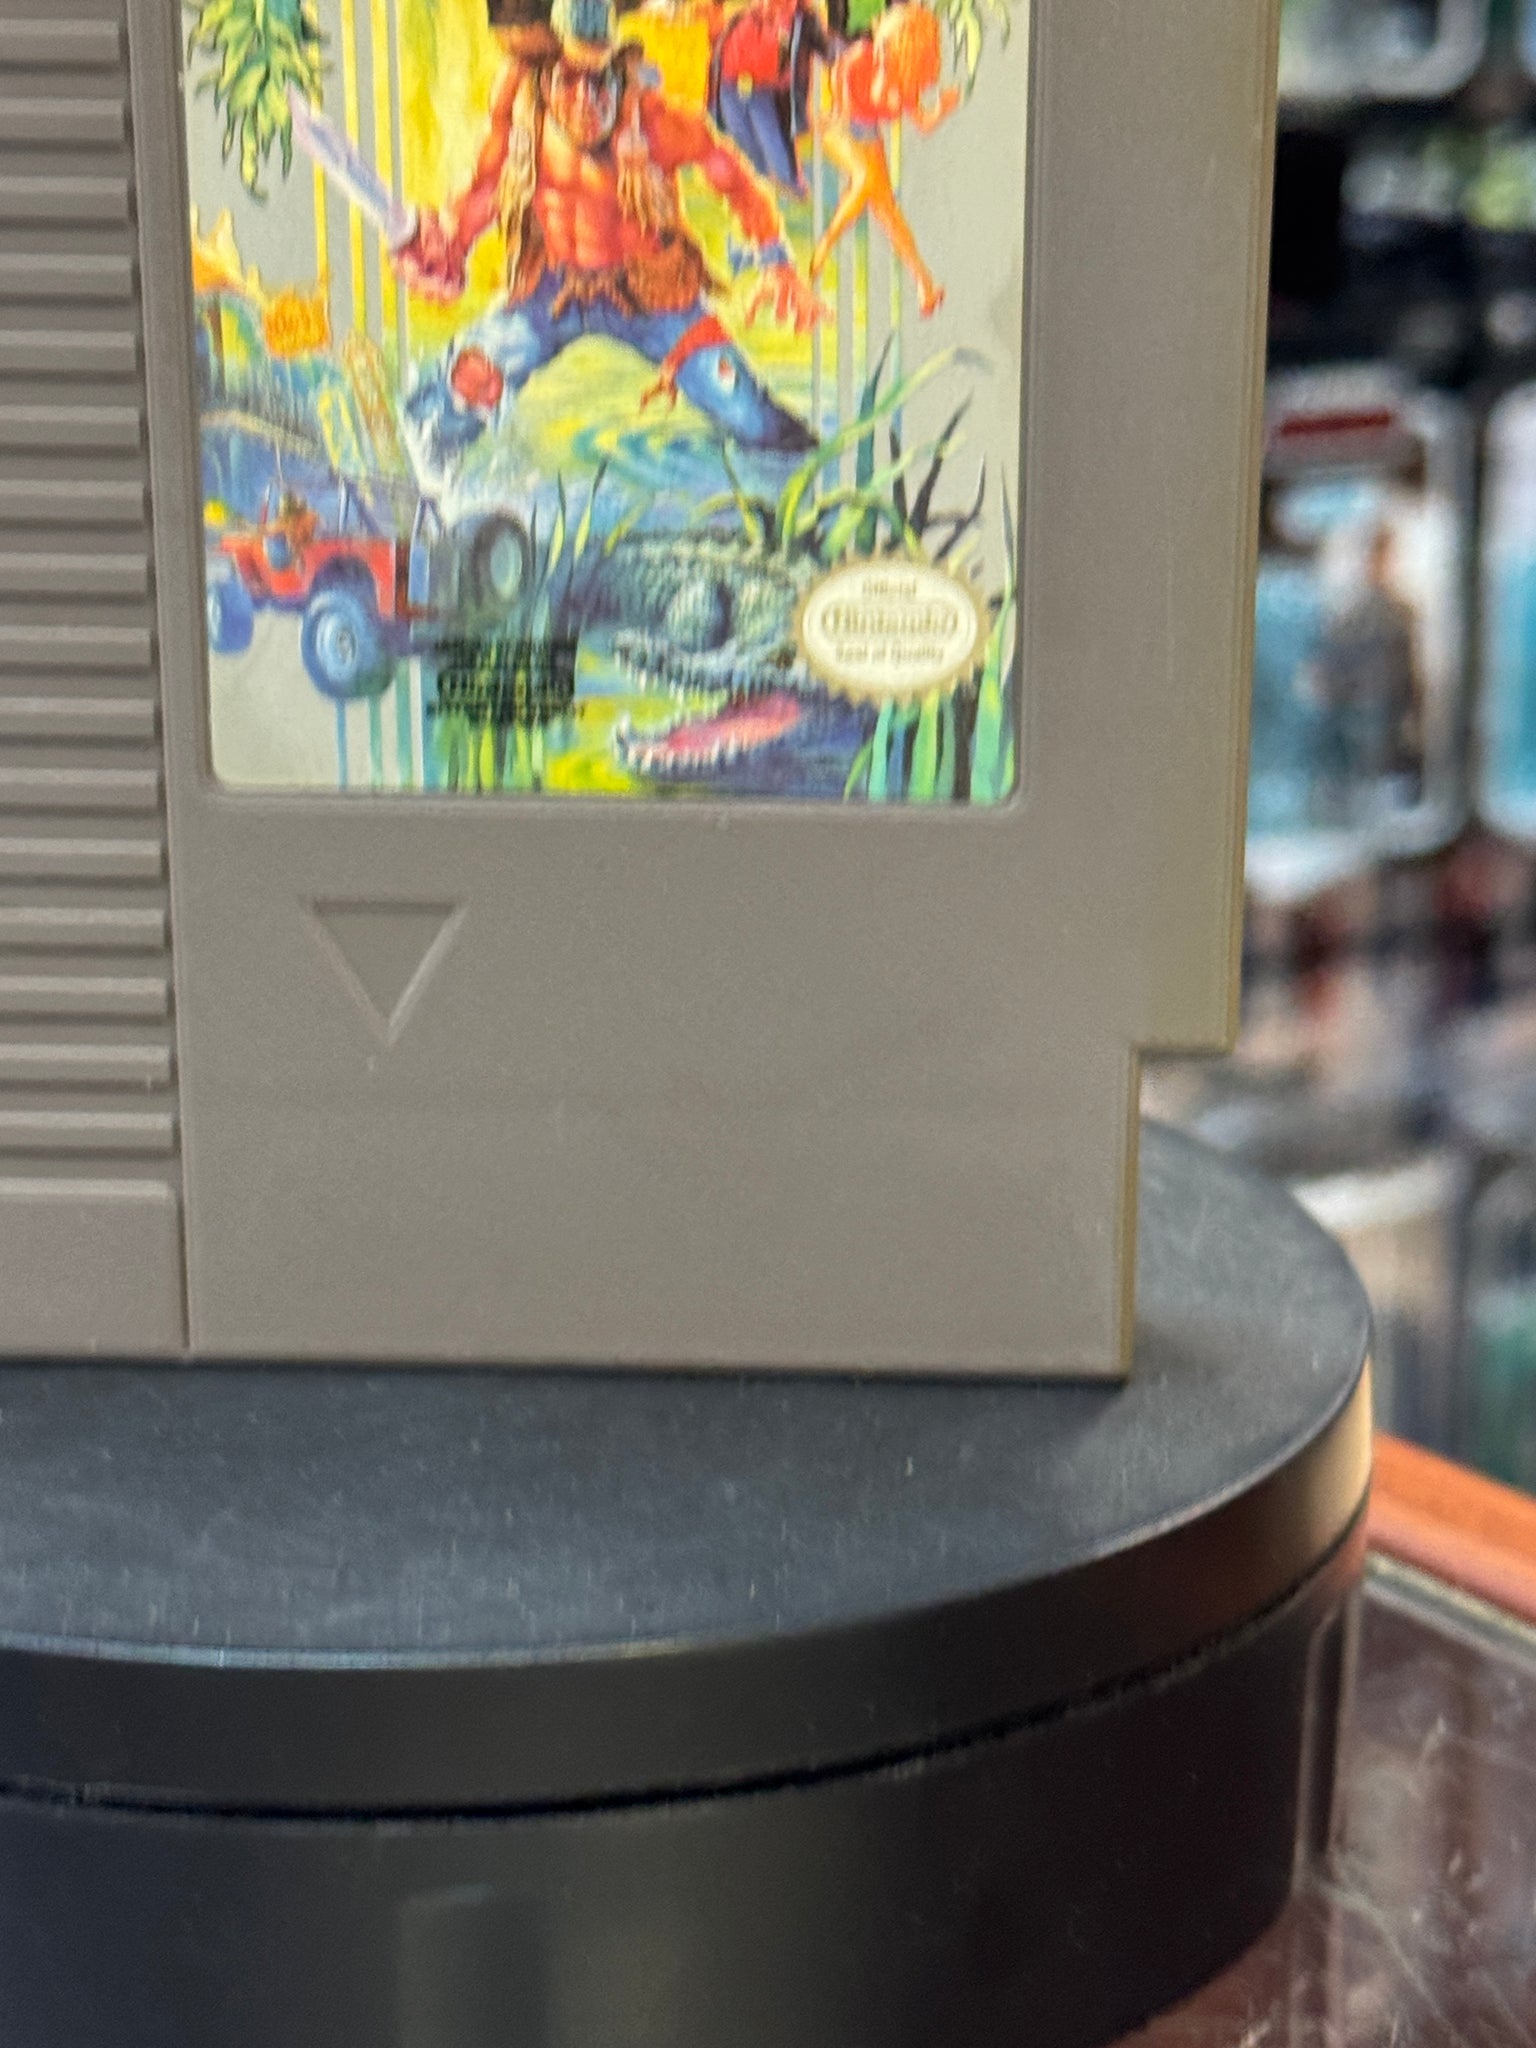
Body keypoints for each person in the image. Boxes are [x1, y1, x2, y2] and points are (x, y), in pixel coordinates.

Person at [394, 0, 822, 492]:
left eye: (598, 82)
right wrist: (449, 243)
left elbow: (733, 178)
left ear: (617, 73)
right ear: (546, 77)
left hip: (650, 296)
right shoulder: (522, 111)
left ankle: (808, 493)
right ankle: (407, 492)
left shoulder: (653, 121)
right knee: (455, 395)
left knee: (747, 411)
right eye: (569, 81)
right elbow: (484, 189)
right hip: (550, 291)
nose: (585, 100)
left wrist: (775, 261)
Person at [811, 1, 959, 318]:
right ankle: (825, 243)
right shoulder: (860, 57)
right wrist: (845, 109)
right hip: (840, 131)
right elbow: (842, 100)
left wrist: (941, 109)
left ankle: (924, 284)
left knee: (887, 211)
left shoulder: (905, 78)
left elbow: (923, 123)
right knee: (865, 180)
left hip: (868, 138)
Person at [705, 0, 843, 196]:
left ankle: (789, 183)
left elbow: (828, 49)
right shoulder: (744, 15)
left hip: (766, 88)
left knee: (771, 137)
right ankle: (760, 181)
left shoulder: (803, 19)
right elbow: (719, 43)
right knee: (741, 136)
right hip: (731, 84)